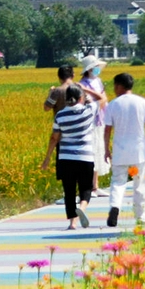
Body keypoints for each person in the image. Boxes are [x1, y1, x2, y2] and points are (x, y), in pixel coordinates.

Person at [102, 72, 145, 227]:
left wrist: (106, 149)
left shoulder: (113, 104)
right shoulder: (142, 102)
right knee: (140, 184)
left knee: (118, 182)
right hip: (139, 150)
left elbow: (107, 130)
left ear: (119, 86)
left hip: (120, 151)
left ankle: (115, 206)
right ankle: (141, 216)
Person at [48, 83, 101, 227]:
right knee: (86, 188)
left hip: (65, 158)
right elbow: (100, 98)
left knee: (69, 190)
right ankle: (82, 207)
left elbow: (54, 138)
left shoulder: (60, 115)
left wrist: (47, 159)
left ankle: (73, 223)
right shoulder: (88, 111)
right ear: (80, 97)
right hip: (85, 157)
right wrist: (86, 90)